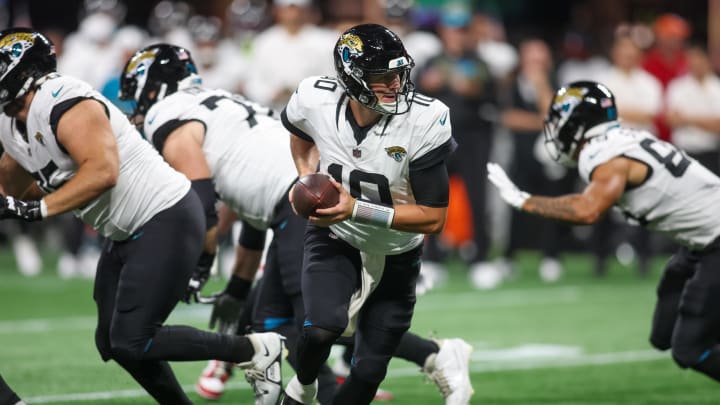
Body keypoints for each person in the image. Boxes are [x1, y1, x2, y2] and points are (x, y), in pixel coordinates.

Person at [120, 43, 474, 405]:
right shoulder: (219, 100)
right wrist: (239, 287)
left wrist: (198, 263)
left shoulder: (167, 114)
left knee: (313, 320)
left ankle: (365, 376)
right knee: (272, 318)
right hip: (294, 197)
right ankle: (417, 358)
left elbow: (202, 201)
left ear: (150, 87)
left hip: (310, 201)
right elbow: (249, 207)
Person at [0, 28, 283, 405]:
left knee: (134, 338)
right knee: (113, 341)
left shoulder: (63, 99)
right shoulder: (12, 121)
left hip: (164, 214)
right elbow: (15, 182)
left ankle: (254, 349)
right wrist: (17, 200)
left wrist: (35, 210)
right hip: (126, 230)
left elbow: (102, 172)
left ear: (24, 70)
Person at [280, 23, 469, 405]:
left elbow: (434, 218)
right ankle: (301, 390)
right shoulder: (315, 99)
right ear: (351, 79)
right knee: (320, 331)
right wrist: (305, 176)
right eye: (382, 77)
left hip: (398, 251)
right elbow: (299, 131)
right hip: (338, 236)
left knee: (367, 371)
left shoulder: (424, 119)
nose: (396, 85)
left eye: (399, 74)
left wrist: (356, 207)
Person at [487, 80, 720, 384]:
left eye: (559, 123)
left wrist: (524, 200)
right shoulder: (622, 139)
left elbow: (587, 210)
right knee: (663, 334)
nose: (556, 131)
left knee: (689, 349)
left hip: (714, 241)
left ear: (577, 123)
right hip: (698, 244)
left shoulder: (603, 153)